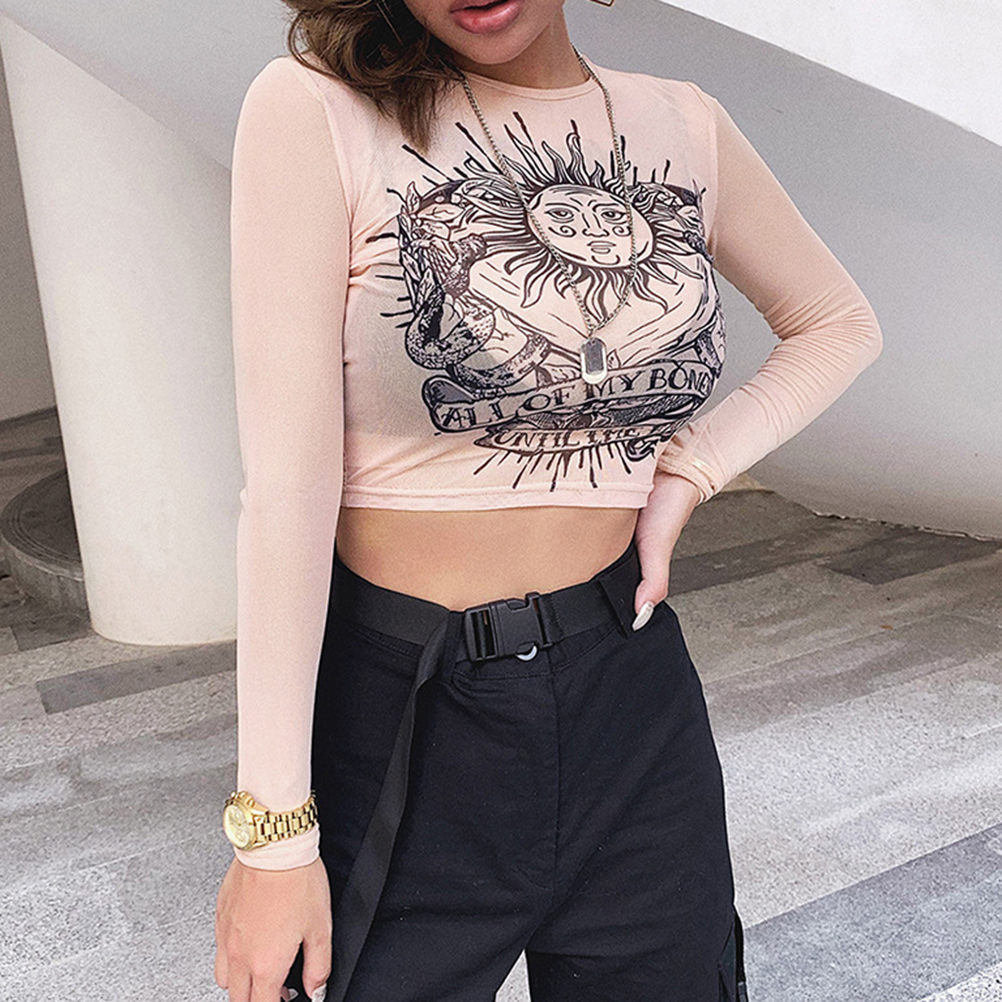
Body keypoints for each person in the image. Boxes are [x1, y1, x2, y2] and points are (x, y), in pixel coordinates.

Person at [213, 0, 883, 999]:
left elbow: (837, 323)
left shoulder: (681, 122)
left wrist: (688, 471)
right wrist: (272, 838)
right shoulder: (316, 109)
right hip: (404, 702)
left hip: (629, 691)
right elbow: (284, 494)